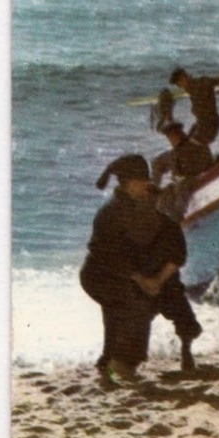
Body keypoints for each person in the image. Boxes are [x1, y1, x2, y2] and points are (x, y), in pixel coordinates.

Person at [80, 155, 201, 386]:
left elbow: (176, 255)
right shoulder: (110, 214)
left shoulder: (162, 221)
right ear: (127, 184)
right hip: (101, 275)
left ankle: (184, 352)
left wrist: (158, 280)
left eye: (148, 184)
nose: (147, 188)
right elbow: (108, 257)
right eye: (141, 182)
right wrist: (143, 281)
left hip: (145, 275)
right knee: (132, 307)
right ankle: (119, 367)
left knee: (174, 301)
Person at [151, 121, 214, 219]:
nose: (170, 140)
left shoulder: (196, 147)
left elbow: (206, 165)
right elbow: (158, 164)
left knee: (182, 185)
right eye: (169, 137)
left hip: (196, 180)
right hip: (182, 184)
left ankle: (179, 216)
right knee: (166, 194)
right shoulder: (174, 153)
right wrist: (154, 186)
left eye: (171, 137)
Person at [169, 67, 219, 148]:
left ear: (184, 77)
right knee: (183, 143)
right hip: (202, 124)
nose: (180, 87)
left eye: (179, 84)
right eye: (178, 85)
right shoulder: (193, 87)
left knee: (187, 147)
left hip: (210, 125)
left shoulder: (202, 82)